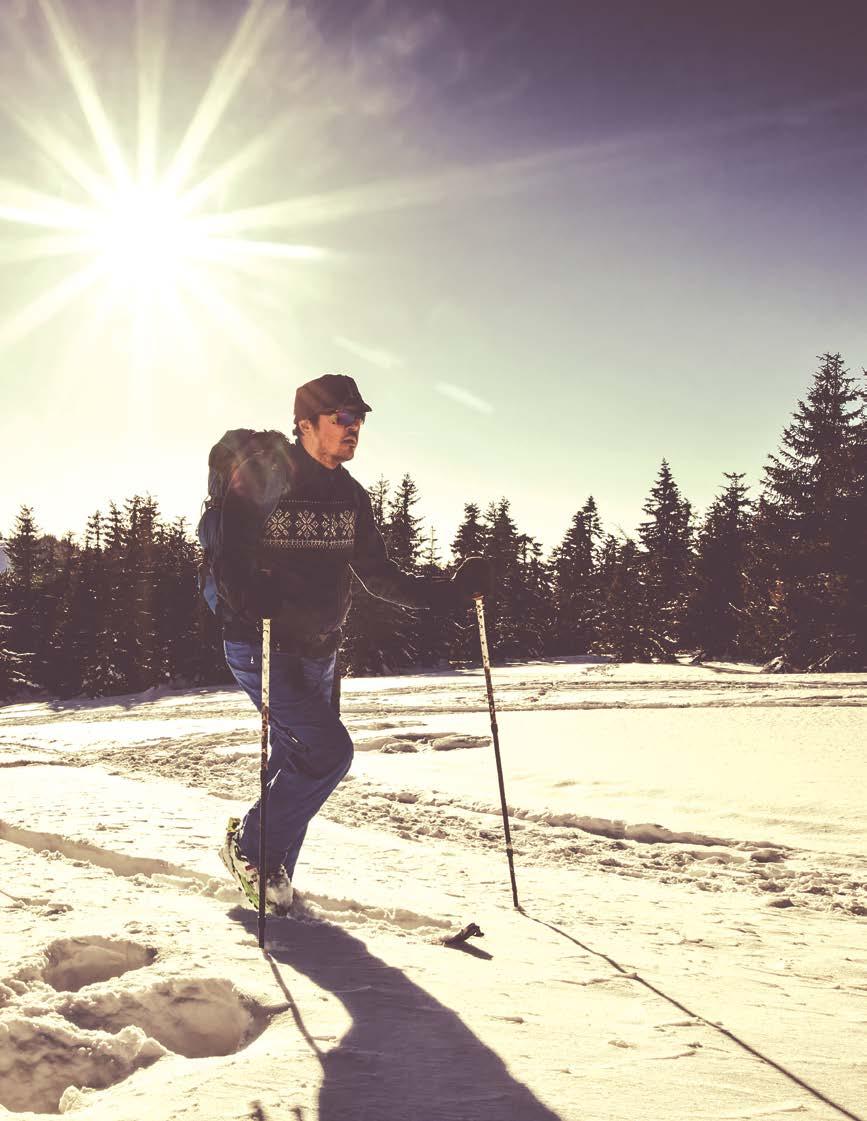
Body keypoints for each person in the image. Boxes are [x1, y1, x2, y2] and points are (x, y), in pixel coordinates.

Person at [215, 373, 489, 912]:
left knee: (293, 761)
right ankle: (247, 847)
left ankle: (269, 882)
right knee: (329, 753)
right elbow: (229, 556)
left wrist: (452, 594)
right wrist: (253, 591)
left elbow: (381, 575)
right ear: (305, 424)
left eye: (359, 418)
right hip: (261, 644)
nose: (354, 427)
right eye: (342, 418)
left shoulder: (350, 496)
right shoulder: (265, 475)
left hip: (320, 649)